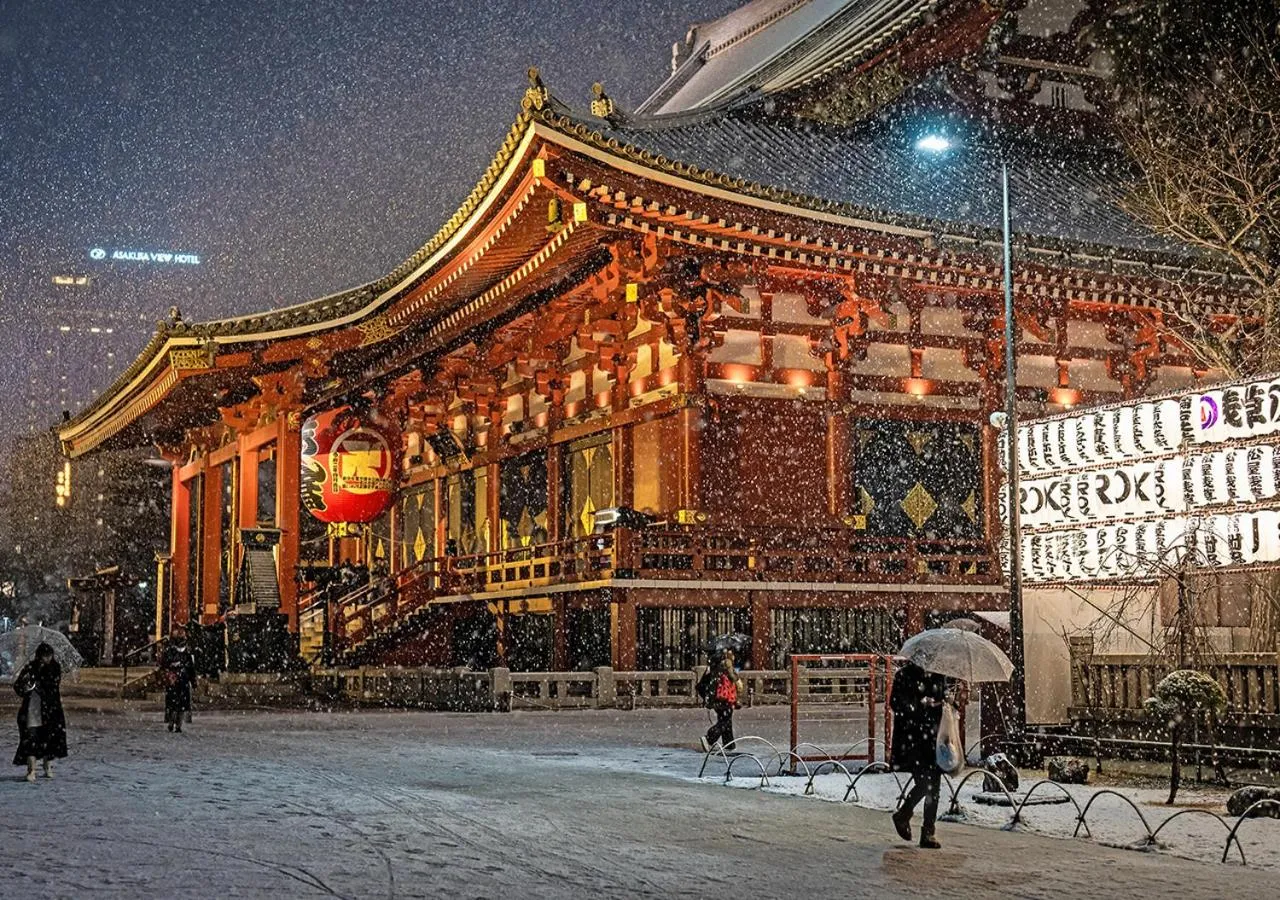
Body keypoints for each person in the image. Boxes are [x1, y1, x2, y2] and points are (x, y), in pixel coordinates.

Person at [889, 661, 947, 849]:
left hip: (933, 738)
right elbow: (896, 703)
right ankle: (904, 814)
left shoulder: (939, 675)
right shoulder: (905, 675)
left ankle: (928, 831)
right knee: (924, 783)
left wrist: (946, 701)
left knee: (935, 784)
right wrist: (920, 705)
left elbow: (940, 701)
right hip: (912, 739)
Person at [12, 642, 67, 782]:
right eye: (44, 656)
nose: (47, 659)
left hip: (50, 709)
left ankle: (47, 766)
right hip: (32, 707)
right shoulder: (30, 667)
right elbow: (18, 686)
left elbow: (53, 686)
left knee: (48, 737)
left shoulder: (55, 667)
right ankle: (31, 770)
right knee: (31, 738)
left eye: (49, 656)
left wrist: (40, 682)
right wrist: (26, 686)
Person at [699, 649, 745, 753]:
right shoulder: (727, 665)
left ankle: (729, 744)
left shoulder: (713, 666)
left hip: (716, 698)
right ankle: (709, 738)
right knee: (724, 721)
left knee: (726, 720)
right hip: (726, 698)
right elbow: (736, 681)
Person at [159, 627, 198, 733]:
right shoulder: (170, 650)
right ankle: (172, 722)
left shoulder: (186, 651)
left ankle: (178, 724)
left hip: (182, 680)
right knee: (174, 704)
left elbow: (190, 667)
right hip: (174, 680)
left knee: (180, 704)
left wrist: (193, 681)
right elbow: (164, 665)